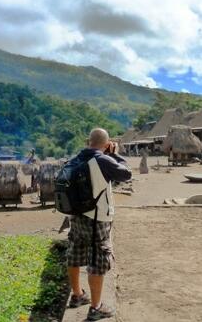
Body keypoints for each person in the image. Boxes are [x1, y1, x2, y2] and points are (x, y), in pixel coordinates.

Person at [66, 128, 132, 321]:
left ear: (88, 142)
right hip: (97, 218)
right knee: (97, 259)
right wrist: (116, 154)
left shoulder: (74, 159)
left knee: (74, 252)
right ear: (107, 143)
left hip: (76, 215)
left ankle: (77, 295)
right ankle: (96, 307)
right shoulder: (103, 160)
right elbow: (126, 174)